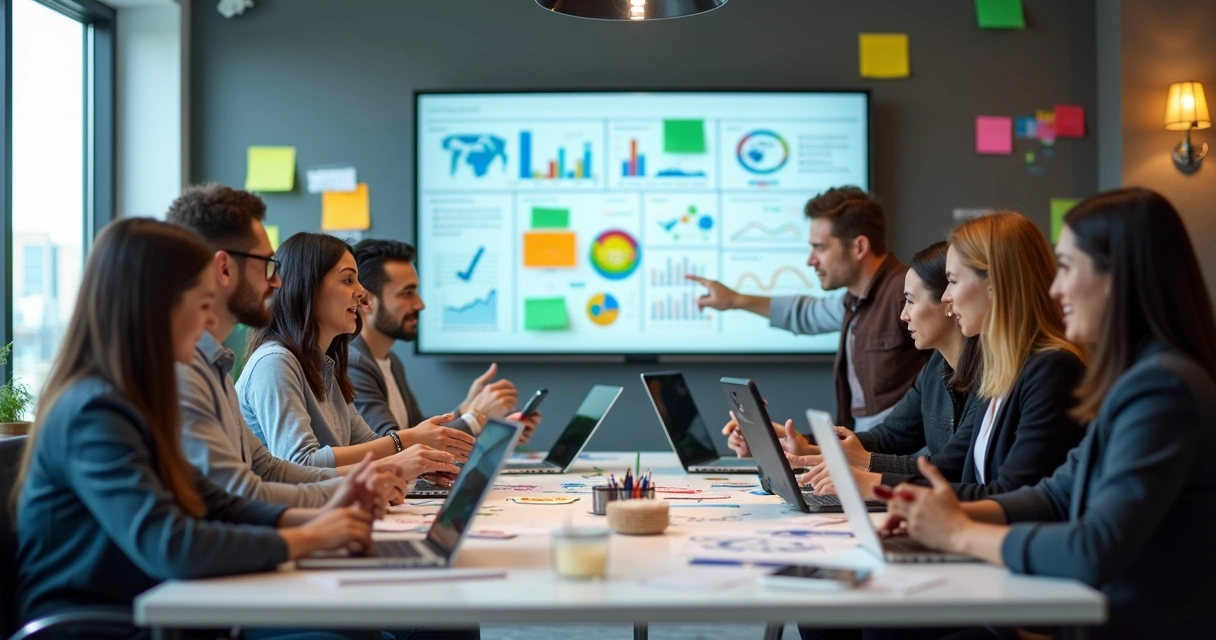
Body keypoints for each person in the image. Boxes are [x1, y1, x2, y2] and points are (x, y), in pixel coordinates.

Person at [13, 218, 379, 640]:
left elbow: (217, 503)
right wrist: (312, 536)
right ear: (155, 305)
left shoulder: (142, 396)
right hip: (107, 625)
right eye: (203, 304)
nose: (209, 324)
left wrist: (323, 513)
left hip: (170, 605)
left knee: (358, 630)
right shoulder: (92, 411)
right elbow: (171, 545)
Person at [882, 188, 1216, 639]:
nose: (1056, 288)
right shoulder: (1137, 378)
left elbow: (1093, 548)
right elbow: (1056, 495)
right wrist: (937, 514)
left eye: (1068, 267)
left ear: (1118, 276)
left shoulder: (1162, 388)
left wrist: (958, 532)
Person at [167, 184, 408, 507]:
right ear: (223, 268)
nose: (277, 281)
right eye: (265, 264)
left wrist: (370, 479)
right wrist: (385, 462)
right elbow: (245, 493)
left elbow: (266, 471)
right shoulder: (262, 364)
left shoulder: (218, 366)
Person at [695, 187, 929, 433]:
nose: (810, 260)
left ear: (859, 247)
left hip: (897, 452)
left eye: (821, 248)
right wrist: (735, 300)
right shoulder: (853, 301)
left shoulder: (904, 294)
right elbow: (805, 314)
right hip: (867, 447)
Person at [236, 233, 465, 478]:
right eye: (347, 280)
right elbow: (302, 463)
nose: (361, 291)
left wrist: (422, 463)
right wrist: (405, 444)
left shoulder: (325, 367)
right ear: (307, 287)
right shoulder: (274, 363)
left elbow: (367, 445)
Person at [783, 241, 983, 497]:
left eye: (910, 301)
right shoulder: (936, 366)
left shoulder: (990, 376)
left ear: (948, 303)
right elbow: (891, 436)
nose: (903, 315)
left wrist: (867, 464)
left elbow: (951, 468)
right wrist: (810, 448)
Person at [348, 238, 539, 443]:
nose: (420, 304)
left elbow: (417, 432)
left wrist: (472, 411)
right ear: (366, 301)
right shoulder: (353, 364)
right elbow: (392, 446)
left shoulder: (390, 362)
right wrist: (476, 416)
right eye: (407, 293)